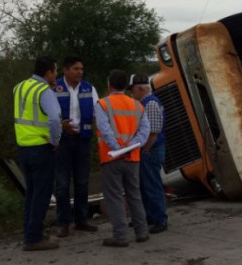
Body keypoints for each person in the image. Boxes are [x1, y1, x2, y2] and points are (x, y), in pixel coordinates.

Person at [95, 70, 150, 247]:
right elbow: (145, 131)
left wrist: (118, 148)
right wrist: (133, 145)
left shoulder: (103, 104)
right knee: (134, 194)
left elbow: (105, 130)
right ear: (126, 86)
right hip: (133, 157)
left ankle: (120, 236)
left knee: (115, 197)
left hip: (111, 158)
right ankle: (142, 232)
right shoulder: (137, 106)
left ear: (109, 85)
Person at [13, 57, 62, 251]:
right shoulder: (44, 91)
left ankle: (30, 232)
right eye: (55, 71)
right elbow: (54, 121)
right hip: (41, 147)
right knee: (42, 194)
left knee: (32, 193)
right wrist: (56, 140)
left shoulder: (19, 87)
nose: (56, 75)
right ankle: (34, 238)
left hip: (23, 147)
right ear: (49, 72)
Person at [51, 56, 99, 238]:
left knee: (82, 182)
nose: (80, 72)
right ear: (65, 70)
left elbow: (96, 113)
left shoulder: (89, 88)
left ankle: (81, 220)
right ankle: (63, 223)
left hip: (82, 140)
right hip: (61, 141)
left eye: (81, 69)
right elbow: (47, 114)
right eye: (76, 69)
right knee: (62, 184)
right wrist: (59, 126)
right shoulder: (54, 88)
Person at [130, 74, 168, 234]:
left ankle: (159, 219)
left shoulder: (150, 103)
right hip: (149, 149)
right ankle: (149, 217)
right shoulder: (146, 102)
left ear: (139, 88)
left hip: (151, 150)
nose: (132, 95)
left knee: (152, 186)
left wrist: (145, 150)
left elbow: (153, 132)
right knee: (146, 186)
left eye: (132, 91)